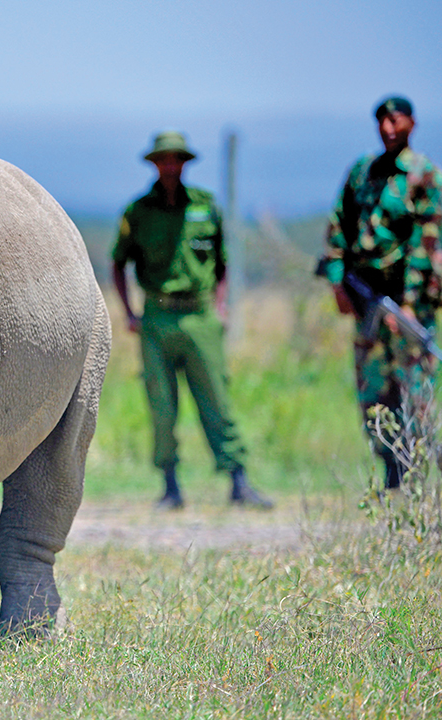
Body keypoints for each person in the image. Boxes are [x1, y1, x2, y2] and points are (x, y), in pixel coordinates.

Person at [111, 131, 272, 510]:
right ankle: (170, 487)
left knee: (218, 399)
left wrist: (220, 307)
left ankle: (238, 481)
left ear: (185, 163)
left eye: (176, 159)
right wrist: (130, 313)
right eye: (163, 159)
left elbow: (222, 263)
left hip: (200, 316)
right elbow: (118, 263)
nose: (170, 166)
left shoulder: (205, 206)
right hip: (156, 318)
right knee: (162, 405)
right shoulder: (138, 211)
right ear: (154, 164)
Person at [317, 96, 442, 490]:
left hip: (407, 304)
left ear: (412, 123)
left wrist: (407, 304)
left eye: (396, 120)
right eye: (382, 122)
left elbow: (426, 243)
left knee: (415, 394)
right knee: (373, 393)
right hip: (366, 300)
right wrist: (338, 281)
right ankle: (390, 473)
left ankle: (419, 478)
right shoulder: (363, 171)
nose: (389, 129)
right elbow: (338, 225)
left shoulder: (426, 175)